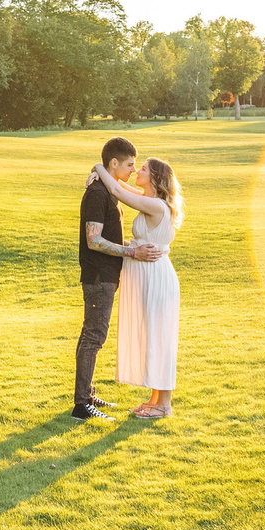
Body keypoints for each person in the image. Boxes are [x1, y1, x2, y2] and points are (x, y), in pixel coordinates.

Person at [76, 137, 165, 421]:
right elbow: (94, 240)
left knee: (93, 335)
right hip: (99, 275)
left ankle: (88, 394)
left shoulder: (107, 191)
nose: (132, 170)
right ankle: (81, 405)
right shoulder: (98, 193)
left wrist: (129, 246)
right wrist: (132, 251)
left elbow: (106, 236)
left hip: (107, 274)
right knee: (93, 336)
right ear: (113, 163)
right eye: (129, 165)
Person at [90, 154, 183, 420]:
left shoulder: (157, 206)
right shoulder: (151, 201)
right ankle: (155, 399)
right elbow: (122, 190)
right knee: (151, 336)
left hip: (156, 277)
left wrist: (99, 167)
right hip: (148, 275)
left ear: (154, 178)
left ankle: (164, 405)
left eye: (142, 169)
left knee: (159, 337)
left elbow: (118, 189)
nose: (137, 171)